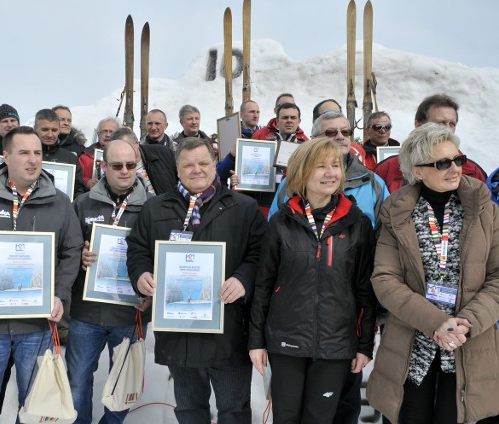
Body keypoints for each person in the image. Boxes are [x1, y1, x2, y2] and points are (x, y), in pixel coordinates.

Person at [0, 126, 84, 422]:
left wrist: (59, 294)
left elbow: (71, 252)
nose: (33, 160)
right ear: (6, 156)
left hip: (36, 325)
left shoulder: (60, 203)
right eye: (24, 153)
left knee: (35, 406)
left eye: (37, 153)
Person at [127, 137, 267, 423]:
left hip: (228, 329)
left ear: (215, 165)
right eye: (188, 165)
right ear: (177, 169)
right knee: (189, 410)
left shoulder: (243, 207)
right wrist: (141, 275)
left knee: (234, 410)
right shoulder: (155, 208)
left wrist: (243, 279)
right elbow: (137, 249)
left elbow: (261, 255)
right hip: (180, 334)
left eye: (203, 163)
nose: (197, 170)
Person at [366, 123, 499, 423]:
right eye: (442, 163)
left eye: (457, 160)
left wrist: (466, 323)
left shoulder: (486, 211)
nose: (454, 169)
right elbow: (385, 279)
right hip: (412, 344)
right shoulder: (395, 212)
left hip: (470, 342)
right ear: (418, 170)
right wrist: (437, 322)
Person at [249, 138, 376, 423]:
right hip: (287, 342)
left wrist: (364, 344)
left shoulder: (358, 224)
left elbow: (364, 289)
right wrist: (256, 341)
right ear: (302, 172)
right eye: (321, 166)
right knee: (287, 418)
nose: (330, 173)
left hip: (336, 344)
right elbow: (264, 285)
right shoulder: (281, 222)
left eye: (335, 166)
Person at [65, 139, 152, 424]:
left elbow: (161, 254)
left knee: (123, 383)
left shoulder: (152, 208)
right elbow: (65, 250)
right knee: (77, 380)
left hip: (130, 313)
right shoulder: (82, 204)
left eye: (130, 165)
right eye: (117, 165)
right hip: (86, 313)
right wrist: (79, 256)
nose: (125, 171)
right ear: (103, 166)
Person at [269, 112, 389, 231]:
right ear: (314, 139)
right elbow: (274, 229)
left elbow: (386, 233)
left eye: (345, 132)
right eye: (331, 132)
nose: (340, 136)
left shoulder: (373, 182)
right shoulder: (293, 180)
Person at [375, 94, 487, 192]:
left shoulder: (473, 171)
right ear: (418, 125)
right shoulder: (387, 169)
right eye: (440, 123)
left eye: (452, 124)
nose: (447, 129)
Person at [33, 108, 85, 198]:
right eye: (45, 130)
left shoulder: (71, 158)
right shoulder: (25, 156)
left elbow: (78, 191)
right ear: (35, 129)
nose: (50, 135)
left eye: (54, 130)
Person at [111, 127, 177, 195]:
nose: (123, 152)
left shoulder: (163, 154)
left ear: (137, 143)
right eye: (118, 149)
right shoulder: (112, 167)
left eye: (127, 146)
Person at [79, 117, 120, 190]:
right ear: (98, 134)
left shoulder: (126, 155)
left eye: (111, 132)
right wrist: (87, 182)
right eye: (104, 131)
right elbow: (77, 177)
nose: (107, 135)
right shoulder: (85, 157)